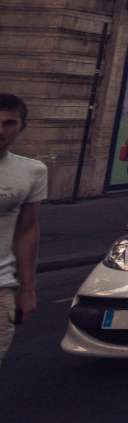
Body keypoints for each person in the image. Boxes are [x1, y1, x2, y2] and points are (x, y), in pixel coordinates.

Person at [0, 94, 45, 368]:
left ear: (22, 127)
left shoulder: (32, 172)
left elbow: (27, 230)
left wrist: (28, 289)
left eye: (8, 123)